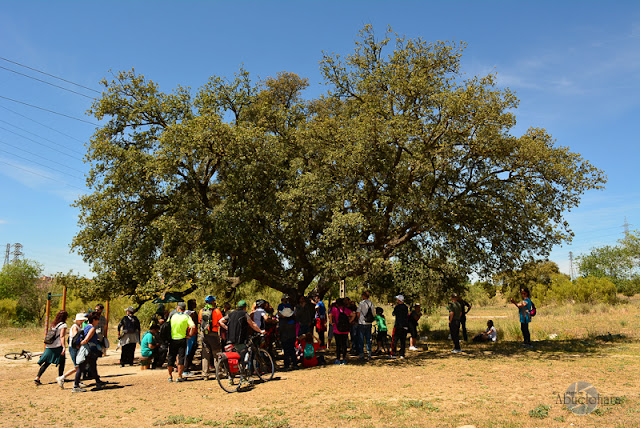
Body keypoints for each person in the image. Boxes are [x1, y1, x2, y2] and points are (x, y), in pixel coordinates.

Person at [218, 300, 265, 369]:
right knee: (243, 355)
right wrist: (260, 331)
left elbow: (220, 321)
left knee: (237, 354)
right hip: (240, 339)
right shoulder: (244, 314)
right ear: (244, 307)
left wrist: (227, 328)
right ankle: (243, 376)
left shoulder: (231, 314)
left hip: (230, 339)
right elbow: (252, 324)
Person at [73, 312, 107, 392]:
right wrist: (81, 344)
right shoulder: (92, 328)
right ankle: (75, 386)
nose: (98, 321)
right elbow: (86, 339)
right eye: (97, 319)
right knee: (82, 367)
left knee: (92, 366)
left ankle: (98, 382)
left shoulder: (86, 327)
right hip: (89, 350)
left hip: (87, 350)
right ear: (94, 320)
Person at [35, 310, 68, 386]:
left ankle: (37, 378)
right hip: (57, 346)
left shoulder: (53, 324)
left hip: (49, 346)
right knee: (62, 362)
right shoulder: (63, 325)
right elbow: (62, 336)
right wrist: (63, 347)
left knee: (47, 362)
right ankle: (60, 378)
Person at [166, 301, 196, 382]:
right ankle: (179, 376)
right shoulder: (186, 317)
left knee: (171, 357)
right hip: (182, 339)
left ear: (178, 308)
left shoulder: (173, 316)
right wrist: (189, 335)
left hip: (173, 339)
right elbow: (193, 327)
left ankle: (169, 376)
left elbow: (167, 325)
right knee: (181, 358)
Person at [56, 313, 87, 388]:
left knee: (79, 365)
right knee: (77, 366)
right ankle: (62, 378)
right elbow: (76, 337)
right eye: (82, 320)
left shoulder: (78, 326)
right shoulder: (75, 327)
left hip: (75, 347)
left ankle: (77, 381)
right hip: (73, 348)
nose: (83, 321)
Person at [198, 295, 223, 379]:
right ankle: (218, 373)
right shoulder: (216, 311)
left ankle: (205, 374)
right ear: (212, 302)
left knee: (205, 354)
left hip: (204, 334)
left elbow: (199, 321)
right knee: (216, 353)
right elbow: (221, 321)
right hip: (214, 334)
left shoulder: (201, 311)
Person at [330, 298, 355, 365]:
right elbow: (353, 314)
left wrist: (331, 322)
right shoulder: (346, 309)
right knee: (344, 344)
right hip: (345, 330)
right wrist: (349, 321)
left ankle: (338, 359)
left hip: (337, 329)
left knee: (338, 345)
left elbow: (330, 315)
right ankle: (344, 359)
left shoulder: (334, 309)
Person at [356, 291, 375, 360]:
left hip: (361, 323)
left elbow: (358, 313)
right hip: (369, 323)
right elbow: (373, 313)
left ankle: (361, 354)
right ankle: (369, 353)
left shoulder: (361, 303)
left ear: (363, 296)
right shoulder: (371, 303)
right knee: (368, 338)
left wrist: (357, 319)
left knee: (361, 339)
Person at [184, 299, 199, 374]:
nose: (195, 305)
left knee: (190, 350)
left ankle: (188, 365)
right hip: (191, 335)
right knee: (189, 351)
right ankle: (185, 368)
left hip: (191, 334)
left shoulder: (187, 313)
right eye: (194, 304)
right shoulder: (191, 314)